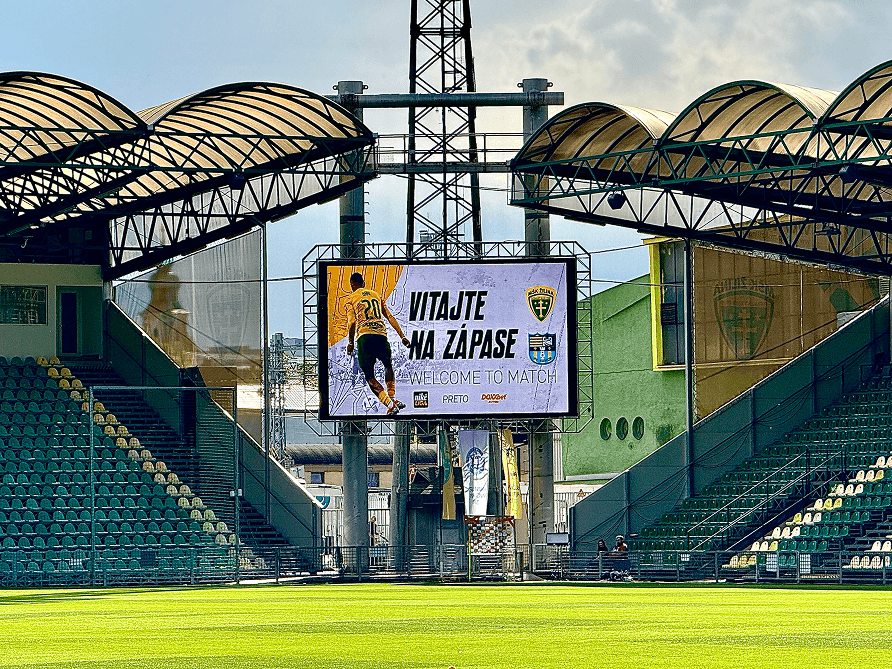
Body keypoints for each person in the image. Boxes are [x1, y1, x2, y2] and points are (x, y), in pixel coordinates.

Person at [345, 272, 410, 415]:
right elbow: (390, 316)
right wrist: (402, 336)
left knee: (369, 376)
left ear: (352, 285)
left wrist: (350, 343)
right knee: (388, 365)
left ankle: (389, 404)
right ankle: (393, 398)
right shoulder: (376, 295)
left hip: (365, 337)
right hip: (381, 334)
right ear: (363, 284)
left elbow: (352, 322)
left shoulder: (351, 298)